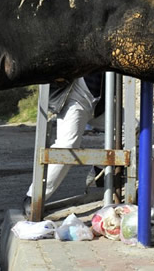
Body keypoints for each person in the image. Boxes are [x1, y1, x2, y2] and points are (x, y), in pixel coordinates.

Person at [22, 73, 104, 218]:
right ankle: (34, 197)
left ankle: (100, 171)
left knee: (131, 128)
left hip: (100, 104)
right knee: (67, 146)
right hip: (75, 98)